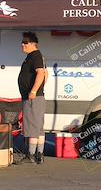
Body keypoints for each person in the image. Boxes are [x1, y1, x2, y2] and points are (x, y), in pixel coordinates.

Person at [17, 32, 48, 164]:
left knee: (32, 126)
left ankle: (30, 155)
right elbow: (46, 74)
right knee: (38, 127)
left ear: (33, 44)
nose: (22, 45)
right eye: (22, 42)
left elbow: (41, 73)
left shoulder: (35, 56)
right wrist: (39, 89)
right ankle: (39, 155)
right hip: (36, 96)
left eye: (25, 43)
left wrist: (34, 90)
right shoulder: (35, 56)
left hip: (33, 97)